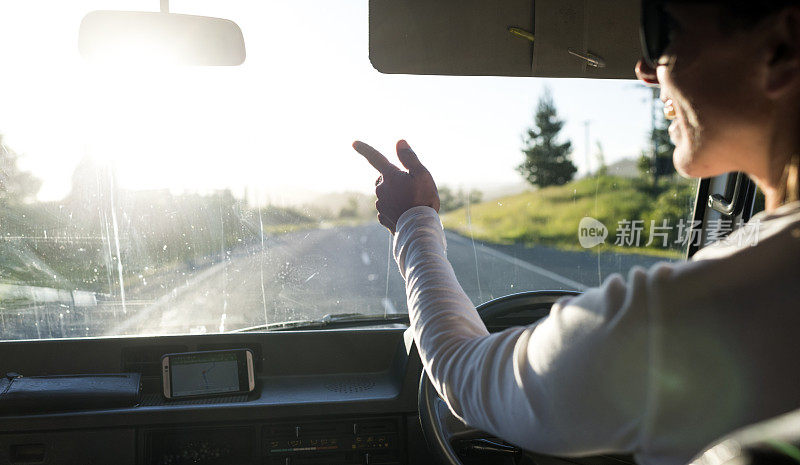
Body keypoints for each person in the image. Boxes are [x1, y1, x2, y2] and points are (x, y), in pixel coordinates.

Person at [352, 1, 800, 464]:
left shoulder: (691, 316)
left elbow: (463, 372)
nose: (645, 71)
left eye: (662, 33)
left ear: (782, 47)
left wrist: (415, 222)